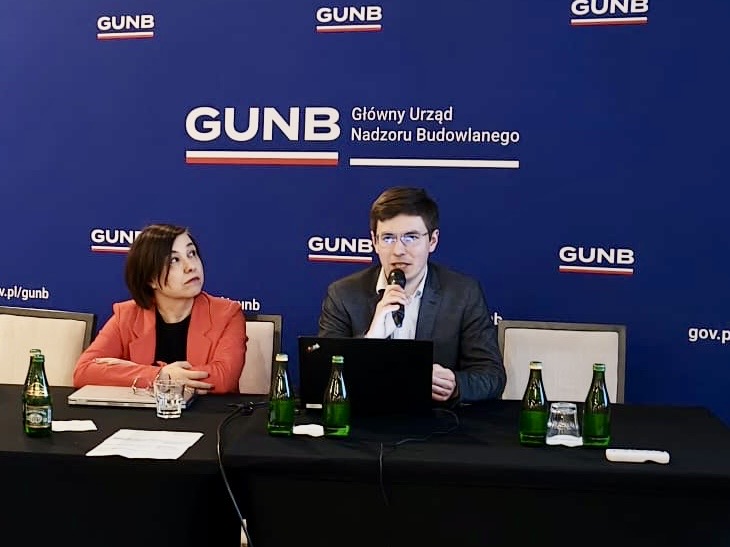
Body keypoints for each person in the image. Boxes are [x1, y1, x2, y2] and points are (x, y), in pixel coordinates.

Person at [318, 187, 505, 403]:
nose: (398, 250)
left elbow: (492, 375)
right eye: (388, 238)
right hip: (363, 416)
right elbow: (323, 375)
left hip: (434, 418)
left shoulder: (463, 293)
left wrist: (455, 385)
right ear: (374, 242)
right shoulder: (343, 294)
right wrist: (371, 340)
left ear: (432, 241)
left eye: (411, 237)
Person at [73, 223, 245, 394]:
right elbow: (84, 372)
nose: (191, 266)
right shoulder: (126, 316)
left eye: (191, 253)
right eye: (174, 260)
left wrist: (137, 372)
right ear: (150, 279)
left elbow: (223, 379)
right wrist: (159, 375)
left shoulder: (227, 314)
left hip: (207, 411)